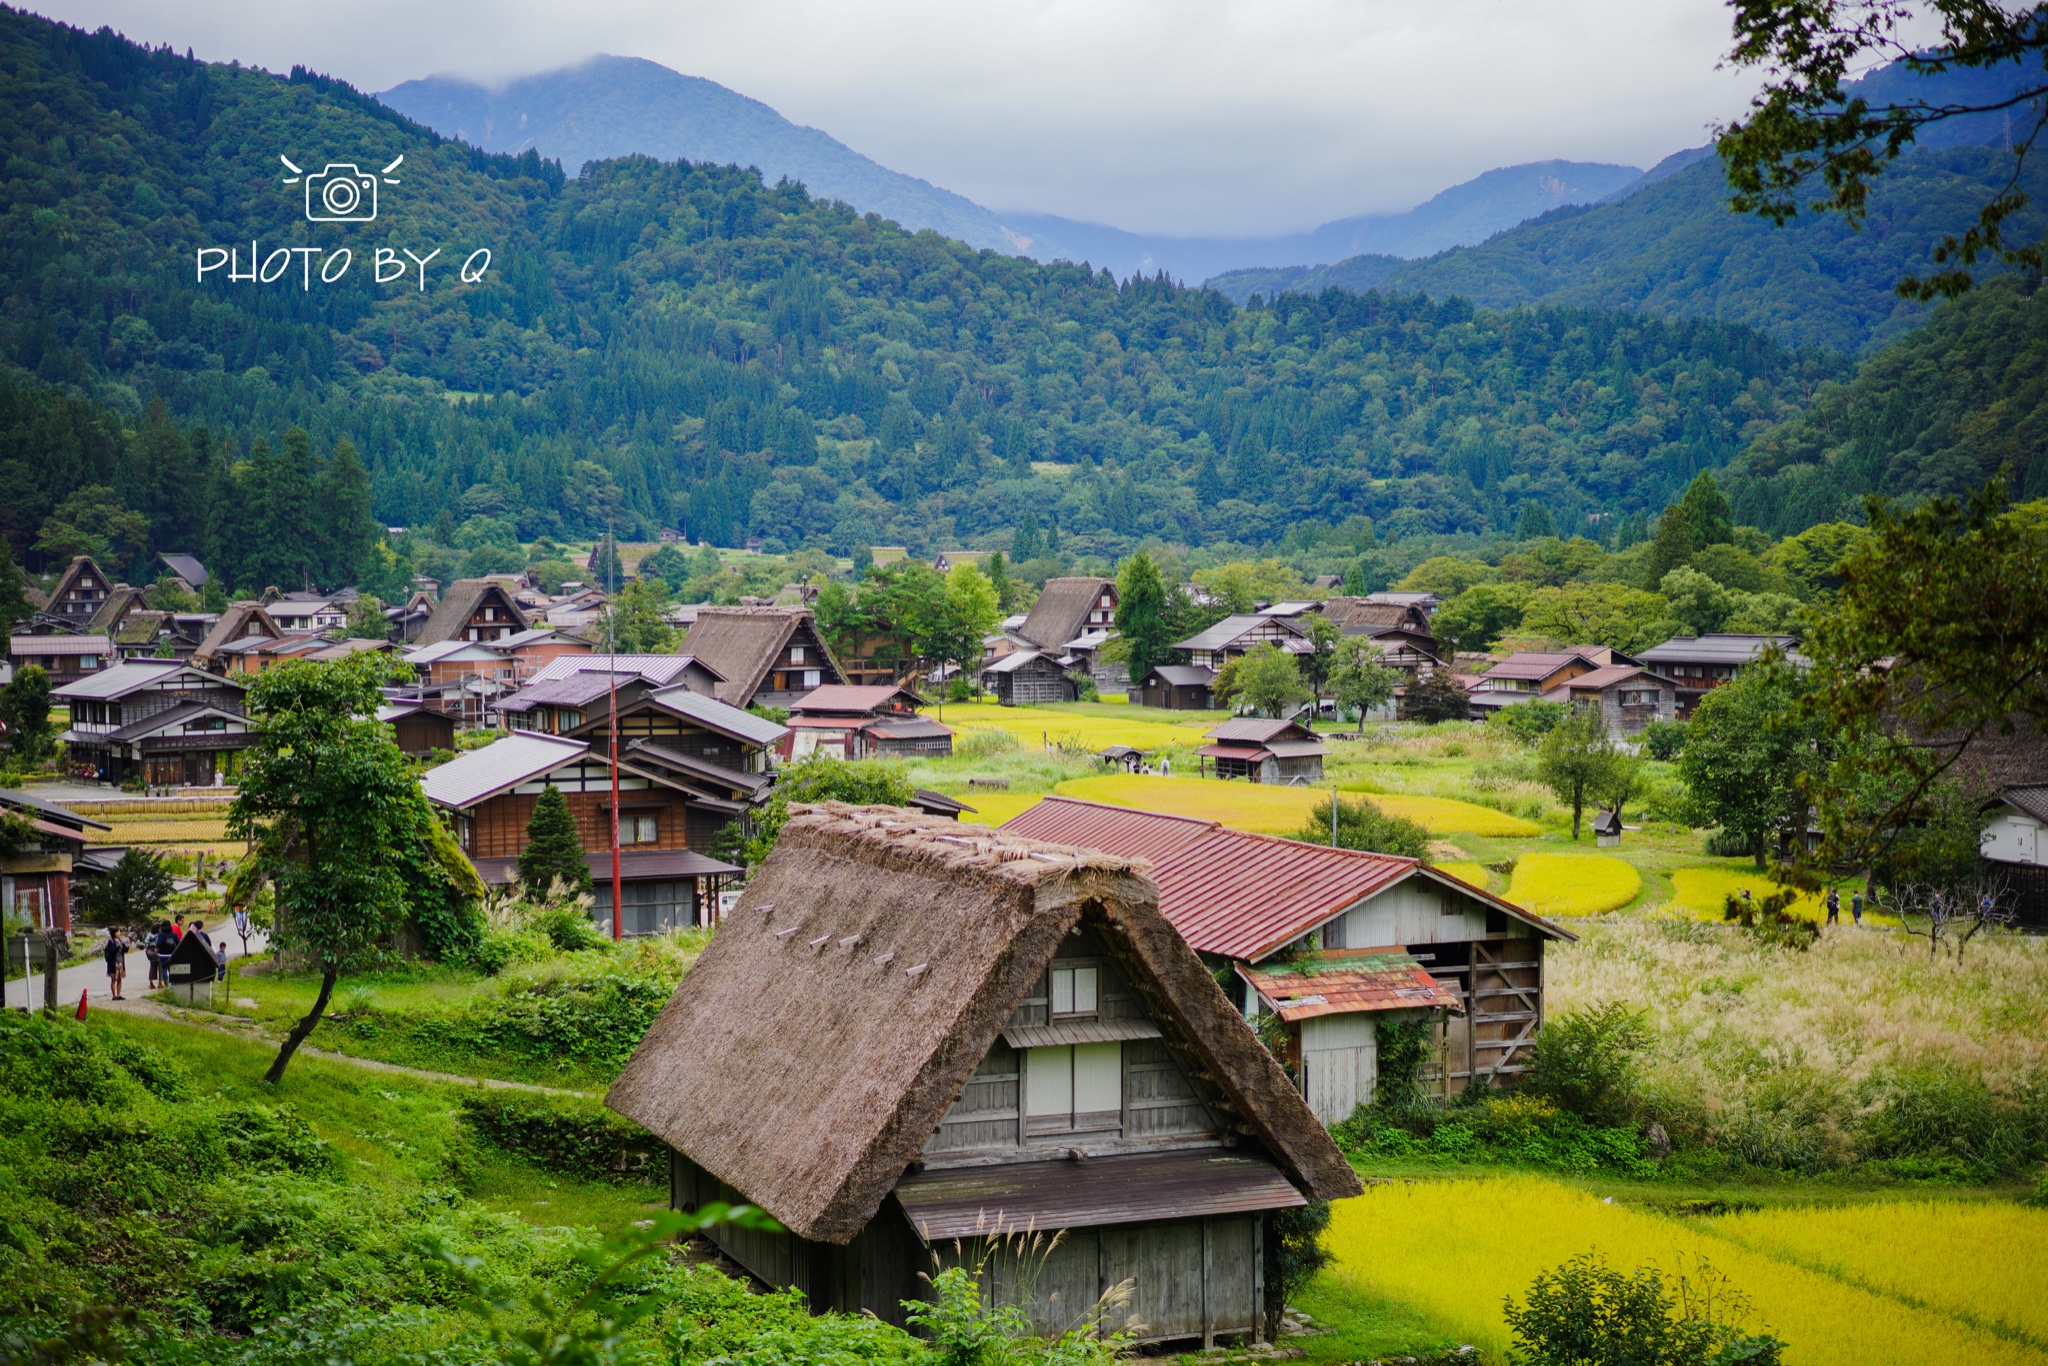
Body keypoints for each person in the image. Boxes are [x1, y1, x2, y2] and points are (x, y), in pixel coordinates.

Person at [102, 927, 130, 1001]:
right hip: (114, 963)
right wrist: (119, 945)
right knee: (114, 979)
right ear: (114, 933)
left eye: (119, 932)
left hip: (121, 962)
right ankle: (114, 995)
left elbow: (124, 950)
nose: (119, 933)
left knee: (120, 978)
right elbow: (112, 951)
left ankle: (119, 994)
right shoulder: (111, 941)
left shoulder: (120, 940)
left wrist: (127, 945)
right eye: (117, 932)